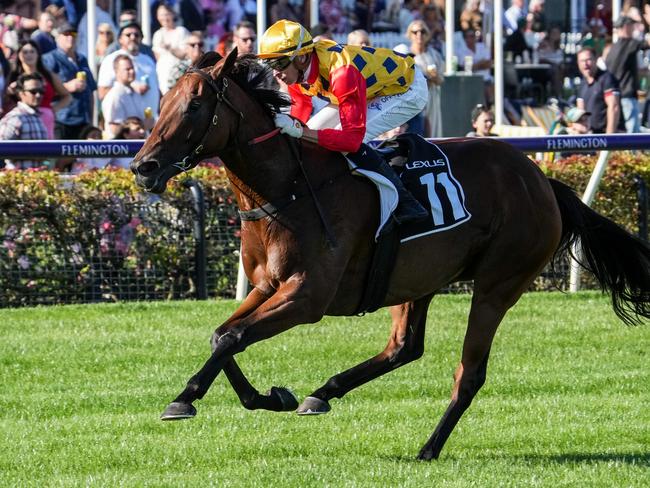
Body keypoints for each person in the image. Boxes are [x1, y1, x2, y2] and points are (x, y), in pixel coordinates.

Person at [258, 20, 428, 226]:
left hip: (406, 89)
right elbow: (300, 113)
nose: (275, 72)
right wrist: (294, 132)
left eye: (279, 63)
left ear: (301, 57)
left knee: (344, 144)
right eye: (270, 64)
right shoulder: (297, 72)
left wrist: (300, 132)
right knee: (310, 140)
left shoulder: (341, 71)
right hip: (365, 89)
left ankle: (405, 203)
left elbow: (351, 140)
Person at [6, 40, 72, 139]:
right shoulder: (13, 76)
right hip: (21, 121)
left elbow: (67, 96)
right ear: (19, 55)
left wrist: (53, 109)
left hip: (45, 119)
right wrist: (9, 92)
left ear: (38, 54)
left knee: (46, 151)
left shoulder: (48, 75)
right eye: (25, 52)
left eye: (32, 51)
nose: (29, 55)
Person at [43, 23, 97, 140]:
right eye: (66, 34)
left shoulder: (82, 59)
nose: (70, 37)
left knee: (82, 158)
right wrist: (66, 87)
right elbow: (43, 90)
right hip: (62, 120)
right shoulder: (49, 59)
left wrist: (92, 120)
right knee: (61, 157)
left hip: (83, 120)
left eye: (73, 34)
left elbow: (91, 91)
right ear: (57, 37)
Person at [98, 23, 160, 119]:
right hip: (125, 126)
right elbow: (102, 93)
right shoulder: (111, 59)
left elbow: (156, 90)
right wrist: (130, 87)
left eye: (136, 35)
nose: (133, 37)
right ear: (120, 39)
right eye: (128, 35)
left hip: (150, 123)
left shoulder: (148, 60)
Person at [605, 16, 649, 133]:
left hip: (614, 95)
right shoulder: (630, 44)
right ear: (625, 27)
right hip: (627, 95)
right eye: (631, 25)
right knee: (632, 132)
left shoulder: (612, 48)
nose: (633, 28)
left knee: (620, 130)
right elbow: (647, 44)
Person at [403, 19, 444, 138]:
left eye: (422, 31)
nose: (419, 35)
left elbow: (441, 80)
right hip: (412, 97)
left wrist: (434, 77)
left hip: (431, 95)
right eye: (415, 32)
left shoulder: (433, 54)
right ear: (410, 34)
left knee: (432, 126)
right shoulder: (405, 53)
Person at [0, 73, 48, 169]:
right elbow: (2, 150)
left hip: (37, 178)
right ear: (21, 93)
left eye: (41, 91)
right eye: (33, 91)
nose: (38, 95)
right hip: (18, 180)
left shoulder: (37, 116)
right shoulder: (14, 118)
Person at [101, 55, 153, 138]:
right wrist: (143, 126)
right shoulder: (115, 95)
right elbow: (114, 129)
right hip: (122, 148)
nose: (132, 71)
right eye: (127, 69)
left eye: (132, 68)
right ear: (116, 72)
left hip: (138, 145)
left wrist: (148, 123)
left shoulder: (135, 93)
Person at [576, 47, 620, 134]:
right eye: (582, 61)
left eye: (588, 60)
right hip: (592, 136)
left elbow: (614, 107)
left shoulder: (607, 79)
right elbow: (580, 112)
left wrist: (609, 138)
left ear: (596, 59)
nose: (585, 64)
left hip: (607, 136)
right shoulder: (582, 84)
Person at [152, 3, 190, 95]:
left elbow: (184, 54)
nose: (164, 18)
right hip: (163, 72)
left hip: (179, 71)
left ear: (172, 14)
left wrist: (170, 48)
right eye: (161, 15)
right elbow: (157, 56)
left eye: (166, 14)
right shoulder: (157, 34)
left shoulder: (181, 31)